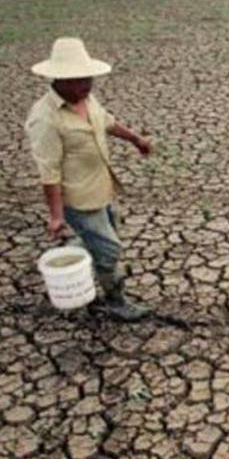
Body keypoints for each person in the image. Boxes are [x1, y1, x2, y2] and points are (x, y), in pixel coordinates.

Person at [26, 37, 153, 321]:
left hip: (102, 187)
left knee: (104, 239)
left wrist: (136, 139)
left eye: (88, 78)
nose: (87, 85)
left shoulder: (85, 98)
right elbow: (50, 173)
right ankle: (115, 302)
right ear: (59, 79)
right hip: (79, 199)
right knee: (109, 249)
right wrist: (56, 216)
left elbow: (105, 120)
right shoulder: (45, 119)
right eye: (79, 80)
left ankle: (81, 254)